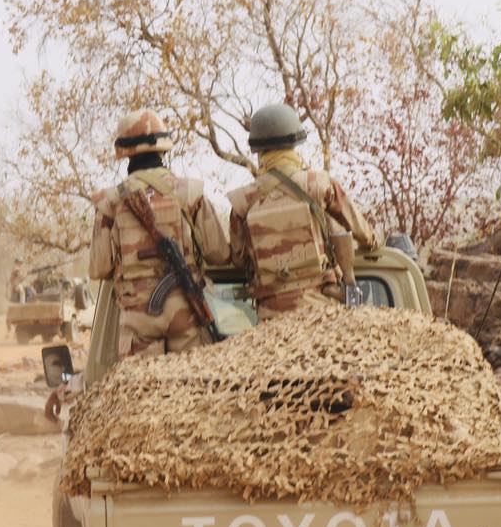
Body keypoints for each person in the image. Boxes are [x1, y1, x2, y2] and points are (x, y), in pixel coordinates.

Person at [89, 109, 230, 357]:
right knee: (189, 390)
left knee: (142, 392)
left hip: (138, 317)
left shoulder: (110, 202)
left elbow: (99, 269)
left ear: (123, 152)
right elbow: (219, 254)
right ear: (164, 147)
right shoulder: (190, 193)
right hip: (186, 311)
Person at [227, 103, 380, 318]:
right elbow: (358, 228)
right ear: (294, 143)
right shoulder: (319, 184)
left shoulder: (242, 200)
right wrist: (374, 242)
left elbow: (238, 259)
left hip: (271, 315)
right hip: (319, 310)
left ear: (258, 151)